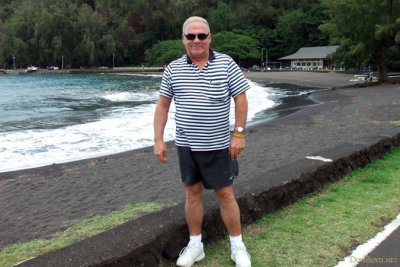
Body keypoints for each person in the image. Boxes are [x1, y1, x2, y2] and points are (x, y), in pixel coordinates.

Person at [153, 16, 251, 267]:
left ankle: (237, 246)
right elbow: (163, 106)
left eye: (202, 35)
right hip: (186, 145)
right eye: (191, 36)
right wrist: (158, 140)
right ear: (183, 39)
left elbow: (240, 98)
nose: (196, 40)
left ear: (210, 38)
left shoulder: (226, 64)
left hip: (219, 145)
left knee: (225, 194)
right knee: (192, 193)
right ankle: (195, 245)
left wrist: (238, 133)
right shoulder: (173, 69)